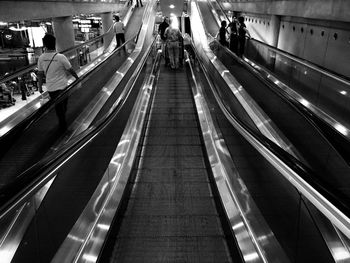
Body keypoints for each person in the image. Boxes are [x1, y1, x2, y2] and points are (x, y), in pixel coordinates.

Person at [37, 34, 79, 130]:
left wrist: (40, 87)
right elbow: (70, 69)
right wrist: (77, 78)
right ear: (54, 44)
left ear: (45, 45)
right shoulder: (60, 57)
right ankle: (62, 123)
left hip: (51, 88)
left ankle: (62, 120)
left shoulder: (41, 58)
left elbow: (39, 74)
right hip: (62, 86)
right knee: (63, 105)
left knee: (58, 105)